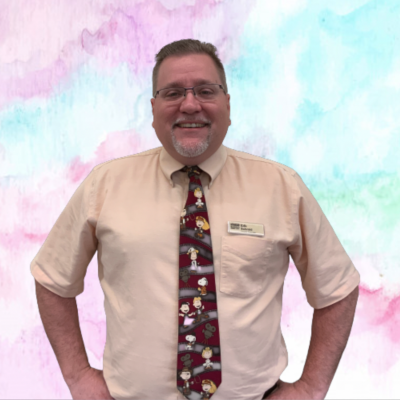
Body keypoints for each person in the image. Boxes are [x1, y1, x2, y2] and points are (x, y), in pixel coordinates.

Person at [31, 39, 360, 400]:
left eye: (205, 90)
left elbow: (337, 288)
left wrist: (311, 388)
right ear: (153, 109)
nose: (189, 105)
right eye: (173, 93)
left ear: (228, 104)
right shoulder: (104, 185)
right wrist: (78, 375)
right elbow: (52, 278)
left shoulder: (281, 187)